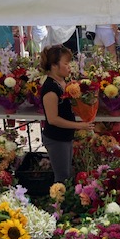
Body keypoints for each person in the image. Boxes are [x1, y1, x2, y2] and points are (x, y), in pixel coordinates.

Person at [40, 45, 94, 182]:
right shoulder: (50, 89)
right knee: (62, 176)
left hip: (65, 136)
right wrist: (79, 125)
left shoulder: (63, 82)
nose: (69, 67)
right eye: (66, 64)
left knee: (67, 172)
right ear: (54, 66)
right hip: (56, 138)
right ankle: (58, 196)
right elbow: (53, 119)